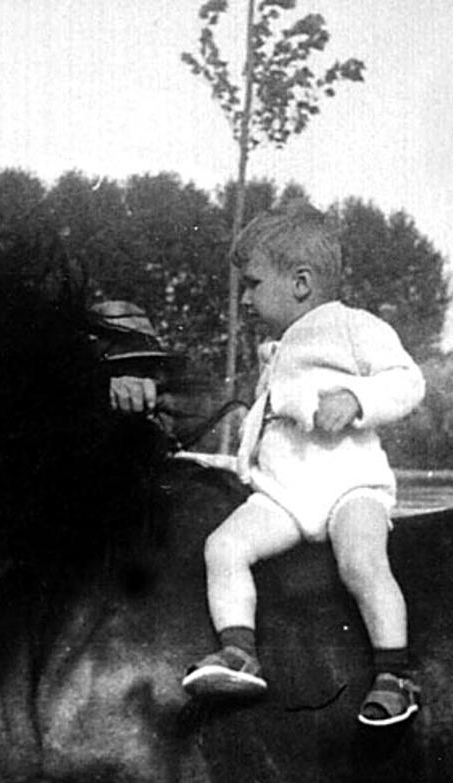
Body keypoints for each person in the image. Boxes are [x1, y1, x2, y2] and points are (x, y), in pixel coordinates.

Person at [182, 202, 426, 726]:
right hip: (286, 495)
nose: (244, 298)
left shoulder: (353, 326)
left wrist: (358, 399)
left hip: (348, 487)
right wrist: (229, 466)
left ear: (300, 282)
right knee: (223, 546)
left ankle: (395, 674)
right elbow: (261, 434)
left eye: (251, 284)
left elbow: (407, 381)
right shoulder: (279, 351)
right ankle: (239, 650)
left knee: (362, 562)